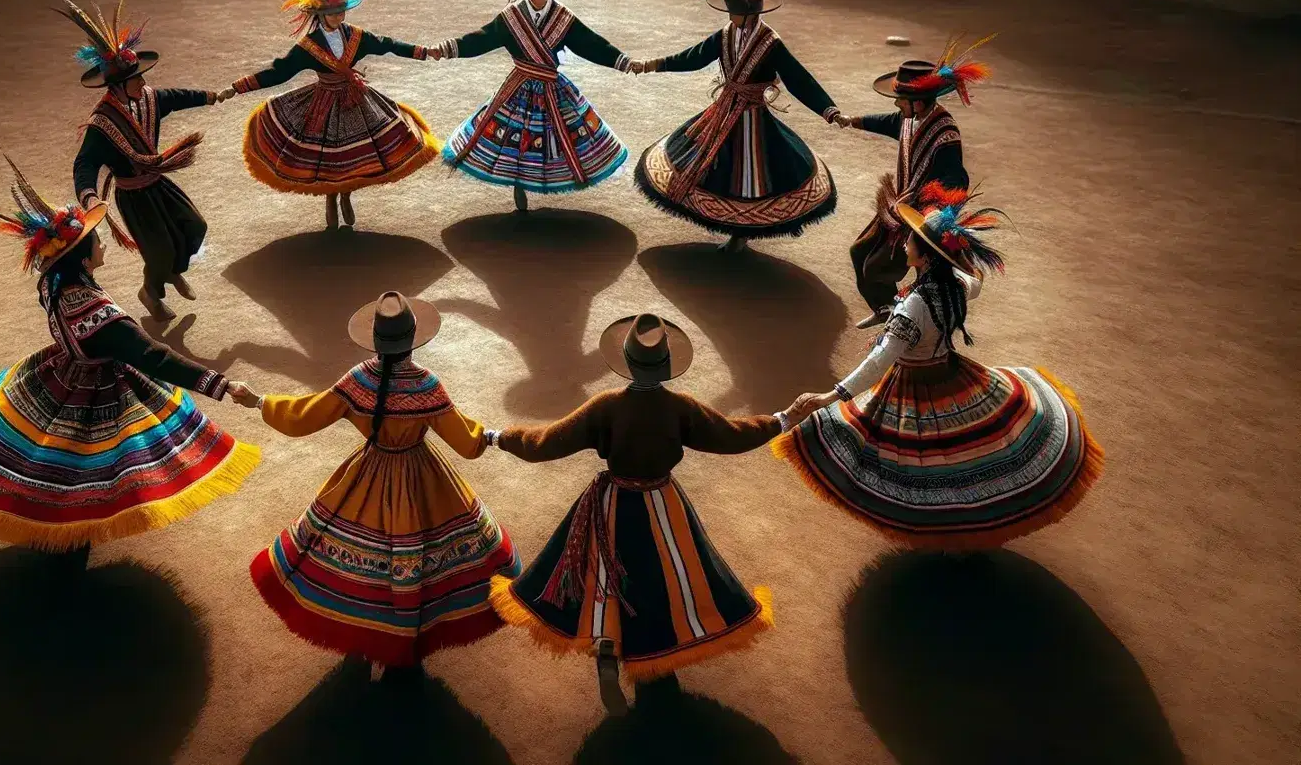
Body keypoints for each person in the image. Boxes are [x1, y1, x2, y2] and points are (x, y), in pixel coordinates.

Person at [0, 159, 260, 565]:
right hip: (94, 393)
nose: (102, 245)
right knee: (84, 479)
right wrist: (220, 385)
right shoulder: (94, 308)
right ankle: (66, 558)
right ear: (83, 257)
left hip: (57, 374)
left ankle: (51, 538)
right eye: (96, 241)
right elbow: (151, 356)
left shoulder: (55, 284)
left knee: (49, 469)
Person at [489, 313, 805, 715]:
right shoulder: (679, 407)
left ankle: (607, 640)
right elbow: (731, 435)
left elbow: (547, 442)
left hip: (612, 500)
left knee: (602, 574)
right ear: (667, 366)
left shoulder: (607, 406)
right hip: (662, 501)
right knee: (665, 577)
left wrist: (501, 438)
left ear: (625, 360)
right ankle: (655, 654)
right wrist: (781, 420)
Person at [776, 182, 1103, 548]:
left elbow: (879, 360)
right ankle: (967, 531)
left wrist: (829, 397)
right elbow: (973, 279)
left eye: (910, 240)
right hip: (953, 373)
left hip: (912, 386)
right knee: (964, 460)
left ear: (925, 256)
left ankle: (943, 532)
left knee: (923, 466)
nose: (903, 244)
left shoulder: (913, 305)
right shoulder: (955, 286)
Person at [227, 292, 519, 678]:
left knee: (354, 559)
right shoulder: (427, 386)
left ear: (376, 341)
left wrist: (259, 401)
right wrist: (497, 437)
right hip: (420, 476)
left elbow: (303, 416)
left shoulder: (358, 379)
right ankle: (405, 644)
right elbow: (467, 443)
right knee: (414, 562)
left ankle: (359, 634)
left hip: (366, 475)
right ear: (414, 339)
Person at [630, 0, 841, 252]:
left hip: (752, 115)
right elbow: (693, 58)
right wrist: (653, 65)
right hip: (724, 111)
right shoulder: (726, 34)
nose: (732, 16)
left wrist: (828, 109)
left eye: (736, 12)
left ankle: (740, 235)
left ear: (749, 14)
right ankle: (733, 231)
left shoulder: (770, 43)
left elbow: (798, 78)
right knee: (715, 167)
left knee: (752, 175)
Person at [221, 0, 441, 230]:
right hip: (323, 102)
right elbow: (279, 71)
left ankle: (346, 194)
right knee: (329, 155)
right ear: (319, 15)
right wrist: (238, 87)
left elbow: (386, 45)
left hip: (356, 100)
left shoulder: (357, 36)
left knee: (356, 152)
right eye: (333, 12)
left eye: (342, 10)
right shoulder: (308, 47)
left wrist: (420, 51)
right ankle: (330, 197)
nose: (340, 16)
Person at [431, 0, 633, 211]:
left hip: (552, 85)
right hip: (520, 86)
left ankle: (542, 177)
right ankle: (519, 183)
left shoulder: (563, 18)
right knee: (516, 135)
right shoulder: (510, 18)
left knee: (558, 136)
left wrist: (622, 61)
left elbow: (591, 44)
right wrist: (446, 49)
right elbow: (479, 40)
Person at [61, 0, 227, 322]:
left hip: (158, 184)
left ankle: (171, 272)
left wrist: (209, 96)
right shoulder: (101, 125)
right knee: (159, 250)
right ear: (120, 87)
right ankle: (151, 292)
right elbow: (84, 164)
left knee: (196, 226)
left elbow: (177, 97)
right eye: (137, 78)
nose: (144, 82)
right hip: (134, 195)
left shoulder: (148, 99)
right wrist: (90, 196)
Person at [837, 34, 994, 328]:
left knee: (877, 268)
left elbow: (956, 177)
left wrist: (937, 214)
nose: (896, 104)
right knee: (859, 252)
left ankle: (901, 321)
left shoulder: (946, 134)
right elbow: (889, 122)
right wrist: (855, 121)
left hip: (920, 219)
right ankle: (885, 309)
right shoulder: (910, 118)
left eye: (901, 99)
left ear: (918, 102)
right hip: (900, 205)